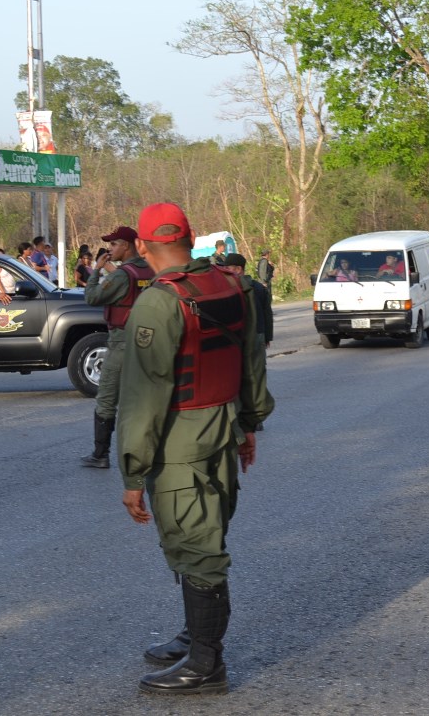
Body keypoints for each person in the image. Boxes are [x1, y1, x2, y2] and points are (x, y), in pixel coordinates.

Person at [117, 202, 274, 695]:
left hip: (179, 440)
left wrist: (132, 474)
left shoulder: (159, 303)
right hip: (223, 427)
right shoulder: (233, 285)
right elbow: (252, 362)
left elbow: (144, 399)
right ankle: (195, 634)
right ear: (190, 238)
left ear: (142, 247)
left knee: (195, 543)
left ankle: (206, 663)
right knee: (206, 533)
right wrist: (249, 426)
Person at [80, 225, 154, 468]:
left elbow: (92, 297)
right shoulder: (150, 270)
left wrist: (97, 270)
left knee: (107, 398)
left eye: (114, 244)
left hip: (122, 341)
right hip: (148, 341)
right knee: (143, 399)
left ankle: (100, 454)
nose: (110, 248)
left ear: (127, 246)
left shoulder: (123, 274)